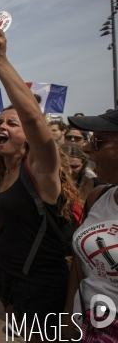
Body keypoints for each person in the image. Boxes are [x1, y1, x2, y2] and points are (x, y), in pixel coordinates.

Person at [0, 29, 78, 341]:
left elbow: (35, 120)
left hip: (42, 284)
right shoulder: (2, 174)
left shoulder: (39, 168)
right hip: (8, 277)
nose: (2, 127)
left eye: (12, 123)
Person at [63, 110, 118, 340]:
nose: (86, 149)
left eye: (98, 142)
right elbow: (81, 263)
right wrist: (68, 321)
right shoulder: (98, 196)